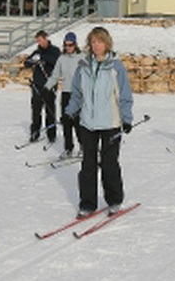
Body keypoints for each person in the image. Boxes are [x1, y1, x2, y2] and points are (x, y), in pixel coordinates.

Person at [65, 26, 134, 218]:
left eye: (100, 41)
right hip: (87, 123)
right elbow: (77, 94)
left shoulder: (116, 67)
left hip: (110, 123)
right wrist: (70, 111)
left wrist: (126, 118)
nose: (96, 45)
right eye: (93, 42)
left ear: (107, 43)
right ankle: (87, 203)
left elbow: (124, 95)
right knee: (88, 165)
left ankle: (114, 200)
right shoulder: (83, 66)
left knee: (109, 164)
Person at [45, 31, 82, 156]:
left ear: (75, 44)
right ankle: (68, 148)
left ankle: (83, 147)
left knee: (78, 123)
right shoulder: (62, 58)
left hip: (78, 94)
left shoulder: (82, 58)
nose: (68, 48)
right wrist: (47, 87)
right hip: (66, 93)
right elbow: (55, 76)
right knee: (66, 123)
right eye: (66, 45)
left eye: (70, 45)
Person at [24, 30, 60, 142]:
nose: (39, 43)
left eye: (40, 40)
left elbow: (57, 61)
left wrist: (44, 59)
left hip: (49, 84)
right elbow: (27, 63)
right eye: (37, 41)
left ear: (45, 38)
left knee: (50, 111)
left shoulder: (54, 50)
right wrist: (32, 61)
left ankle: (51, 134)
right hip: (38, 85)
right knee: (36, 110)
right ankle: (35, 132)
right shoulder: (37, 52)